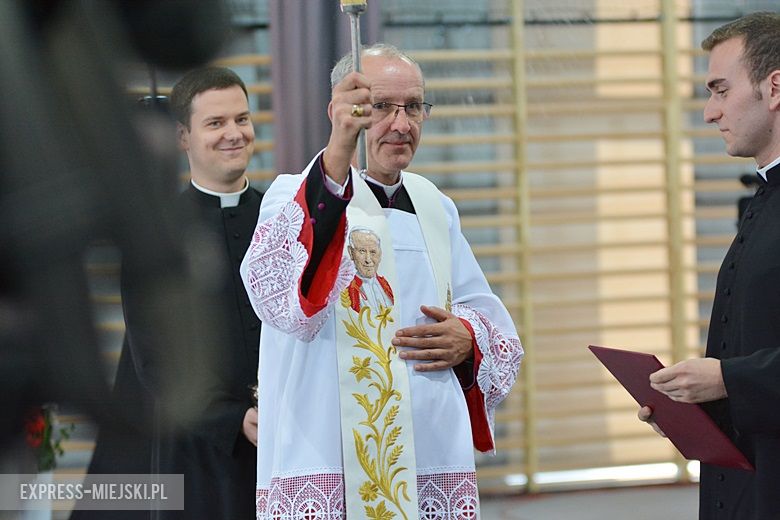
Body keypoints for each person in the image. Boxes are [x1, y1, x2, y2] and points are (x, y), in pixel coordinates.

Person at [240, 43, 523, 519]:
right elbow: (281, 300)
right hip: (326, 453)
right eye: (382, 107)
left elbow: (487, 316)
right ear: (341, 111)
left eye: (413, 107)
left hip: (427, 456)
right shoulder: (297, 197)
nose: (402, 124)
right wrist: (335, 158)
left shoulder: (435, 207)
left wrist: (467, 337)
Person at [72, 67, 263, 520]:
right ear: (183, 137)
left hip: (291, 450)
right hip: (200, 457)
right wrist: (234, 419)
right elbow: (157, 362)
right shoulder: (156, 237)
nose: (233, 134)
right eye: (215, 123)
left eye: (241, 119)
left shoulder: (285, 219)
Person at [638, 12, 780, 519]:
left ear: (774, 86)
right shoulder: (764, 196)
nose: (709, 112)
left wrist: (727, 381)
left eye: (720, 90)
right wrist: (698, 408)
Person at [344, 227, 394, 313]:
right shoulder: (346, 289)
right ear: (351, 252)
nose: (368, 259)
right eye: (362, 251)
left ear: (380, 253)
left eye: (373, 252)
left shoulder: (385, 285)